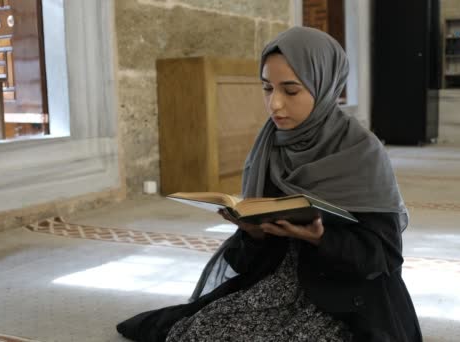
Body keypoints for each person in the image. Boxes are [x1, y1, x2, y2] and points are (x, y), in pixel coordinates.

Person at [117, 26, 422, 341]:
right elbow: (249, 260)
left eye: (290, 91)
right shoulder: (271, 146)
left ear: (325, 86)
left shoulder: (361, 152)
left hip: (343, 294)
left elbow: (384, 258)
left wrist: (322, 238)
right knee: (197, 332)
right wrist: (253, 234)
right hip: (277, 281)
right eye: (267, 88)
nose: (275, 104)